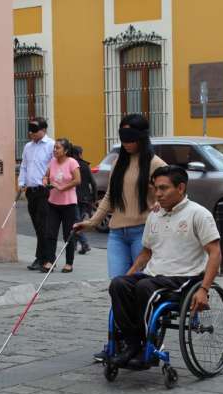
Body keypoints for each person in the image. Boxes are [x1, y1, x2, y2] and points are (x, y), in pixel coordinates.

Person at [72, 114, 166, 362]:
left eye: (131, 138)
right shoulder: (118, 163)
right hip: (117, 234)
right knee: (117, 287)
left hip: (142, 233)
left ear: (142, 137)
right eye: (123, 137)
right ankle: (119, 340)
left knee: (138, 288)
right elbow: (109, 198)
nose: (126, 143)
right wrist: (91, 222)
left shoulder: (156, 164)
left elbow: (166, 195)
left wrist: (159, 205)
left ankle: (144, 340)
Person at [108, 165, 221, 366]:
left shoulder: (198, 214)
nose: (158, 194)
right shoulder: (155, 214)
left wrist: (204, 289)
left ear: (180, 188)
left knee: (144, 288)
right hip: (154, 275)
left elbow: (215, 253)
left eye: (163, 188)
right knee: (118, 284)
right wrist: (129, 276)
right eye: (156, 189)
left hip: (184, 278)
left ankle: (144, 346)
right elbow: (146, 252)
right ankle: (131, 343)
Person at [18, 117, 54, 271]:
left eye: (35, 130)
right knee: (37, 225)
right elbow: (24, 166)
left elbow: (55, 166)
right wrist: (21, 183)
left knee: (43, 226)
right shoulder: (28, 146)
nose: (31, 133)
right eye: (30, 130)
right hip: (31, 191)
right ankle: (43, 257)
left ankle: (44, 258)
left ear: (44, 130)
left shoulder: (51, 145)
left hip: (45, 190)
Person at [42, 138, 81, 273]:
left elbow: (77, 180)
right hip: (53, 203)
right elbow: (46, 176)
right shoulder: (52, 162)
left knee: (68, 235)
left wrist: (62, 187)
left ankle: (69, 263)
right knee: (50, 233)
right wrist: (45, 180)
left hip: (68, 204)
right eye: (54, 147)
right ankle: (49, 261)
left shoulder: (72, 162)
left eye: (57, 148)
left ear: (65, 150)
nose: (55, 150)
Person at [69, 145, 98, 254]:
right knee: (78, 221)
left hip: (74, 198)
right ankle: (75, 245)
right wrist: (94, 198)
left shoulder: (71, 165)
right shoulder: (85, 166)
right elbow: (94, 184)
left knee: (76, 222)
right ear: (80, 154)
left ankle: (84, 243)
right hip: (85, 199)